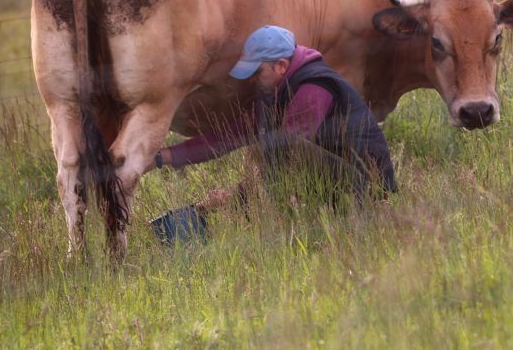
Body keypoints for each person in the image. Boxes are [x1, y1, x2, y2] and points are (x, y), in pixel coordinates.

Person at [148, 25, 397, 223]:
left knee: (282, 147)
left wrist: (229, 198)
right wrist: (162, 157)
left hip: (368, 188)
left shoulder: (314, 88)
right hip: (332, 176)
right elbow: (228, 136)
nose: (253, 80)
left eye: (257, 72)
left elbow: (285, 159)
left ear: (281, 66)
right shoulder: (276, 90)